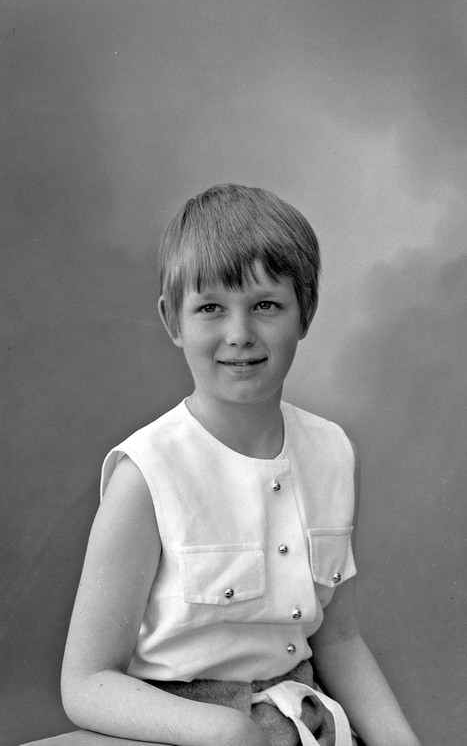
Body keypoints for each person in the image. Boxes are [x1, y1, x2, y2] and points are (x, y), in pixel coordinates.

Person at [57, 184, 421, 746]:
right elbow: (86, 682)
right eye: (210, 308)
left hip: (300, 722)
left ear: (306, 312)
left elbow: (339, 641)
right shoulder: (147, 474)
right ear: (173, 320)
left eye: (266, 305)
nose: (239, 335)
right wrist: (226, 730)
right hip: (177, 731)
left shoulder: (330, 450)